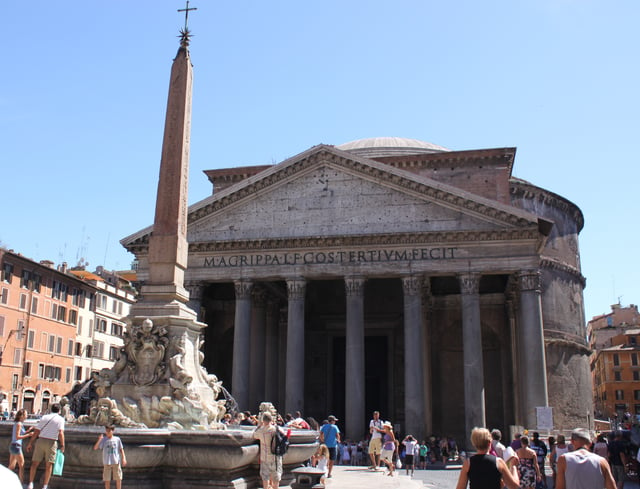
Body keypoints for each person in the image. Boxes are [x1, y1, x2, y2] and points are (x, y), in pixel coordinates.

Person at [455, 427, 520, 489]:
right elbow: (514, 486)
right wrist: (513, 466)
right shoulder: (499, 462)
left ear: (474, 444)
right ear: (489, 443)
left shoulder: (468, 463)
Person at [26, 403, 65, 489]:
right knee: (49, 465)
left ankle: (30, 483)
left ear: (51, 409)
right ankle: (45, 486)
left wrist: (30, 443)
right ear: (59, 411)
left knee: (34, 463)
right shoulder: (60, 419)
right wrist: (62, 445)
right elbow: (61, 433)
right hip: (52, 442)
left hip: (41, 440)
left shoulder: (44, 417)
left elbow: (37, 431)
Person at [253, 412, 283, 489]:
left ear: (263, 420)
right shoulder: (276, 429)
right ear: (271, 419)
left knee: (265, 477)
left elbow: (254, 435)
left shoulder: (261, 431)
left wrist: (259, 426)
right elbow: (284, 435)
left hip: (265, 457)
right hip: (276, 457)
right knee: (276, 477)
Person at [8, 409, 34, 483]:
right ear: (22, 416)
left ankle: (4, 480)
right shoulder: (19, 424)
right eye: (26, 414)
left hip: (13, 445)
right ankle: (20, 483)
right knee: (22, 465)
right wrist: (29, 435)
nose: (27, 416)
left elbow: (20, 433)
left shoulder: (17, 423)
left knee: (11, 466)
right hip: (17, 446)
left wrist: (29, 430)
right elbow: (18, 436)